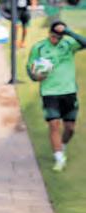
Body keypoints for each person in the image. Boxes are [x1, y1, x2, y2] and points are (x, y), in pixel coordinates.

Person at [27, 21, 85, 172]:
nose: (55, 39)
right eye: (53, 36)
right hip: (49, 92)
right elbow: (29, 67)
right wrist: (35, 77)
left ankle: (62, 146)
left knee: (70, 128)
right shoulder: (39, 47)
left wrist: (68, 32)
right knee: (54, 124)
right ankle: (59, 158)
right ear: (49, 33)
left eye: (58, 37)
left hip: (69, 91)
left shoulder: (69, 45)